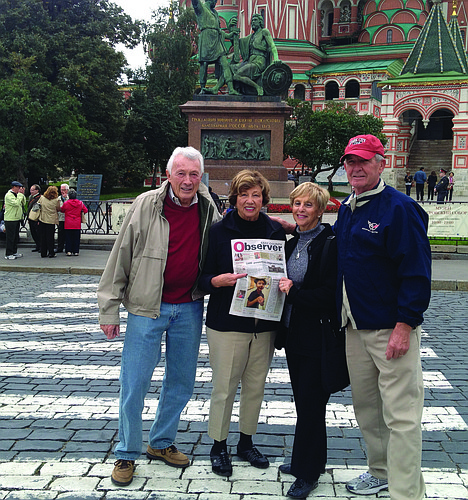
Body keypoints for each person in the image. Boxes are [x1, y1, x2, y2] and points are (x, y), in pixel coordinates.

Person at [97, 147, 221, 487]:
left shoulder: (207, 206)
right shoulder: (146, 204)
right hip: (146, 308)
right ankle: (126, 452)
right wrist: (109, 308)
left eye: (194, 174)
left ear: (200, 177)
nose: (187, 181)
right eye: (181, 173)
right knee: (134, 382)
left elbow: (231, 236)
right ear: (169, 175)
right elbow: (122, 253)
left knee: (180, 382)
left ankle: (161, 442)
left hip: (190, 307)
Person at [335, 135, 431, 499]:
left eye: (363, 161)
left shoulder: (400, 208)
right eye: (350, 162)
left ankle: (406, 493)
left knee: (402, 418)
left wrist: (405, 325)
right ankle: (380, 471)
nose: (355, 168)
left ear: (380, 162)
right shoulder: (348, 207)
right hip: (355, 327)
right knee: (369, 410)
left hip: (391, 330)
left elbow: (417, 272)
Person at [199, 170, 286, 477]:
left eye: (256, 195)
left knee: (255, 387)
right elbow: (202, 276)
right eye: (244, 194)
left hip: (264, 325)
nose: (250, 201)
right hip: (228, 322)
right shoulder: (220, 231)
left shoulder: (275, 231)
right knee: (224, 388)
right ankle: (218, 445)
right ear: (234, 198)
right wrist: (216, 281)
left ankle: (246, 442)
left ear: (264, 198)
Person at [277, 182, 338, 499]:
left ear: (321, 209)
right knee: (305, 403)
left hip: (318, 336)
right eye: (297, 203)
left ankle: (307, 472)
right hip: (294, 336)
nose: (301, 210)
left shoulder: (329, 243)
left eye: (308, 205)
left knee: (312, 405)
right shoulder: (292, 243)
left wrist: (294, 292)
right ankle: (312, 459)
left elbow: (330, 295)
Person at [192, 0, 238, 95]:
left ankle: (231, 88)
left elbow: (219, 31)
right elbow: (195, 2)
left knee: (225, 64)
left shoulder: (215, 13)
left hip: (217, 41)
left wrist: (230, 34)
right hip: (206, 39)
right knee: (204, 64)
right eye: (215, 0)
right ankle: (202, 88)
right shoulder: (201, 8)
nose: (216, 2)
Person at [233, 14, 281, 96]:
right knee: (231, 68)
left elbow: (272, 45)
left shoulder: (264, 32)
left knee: (237, 75)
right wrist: (232, 30)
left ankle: (258, 87)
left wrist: (276, 58)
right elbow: (238, 42)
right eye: (252, 21)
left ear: (260, 22)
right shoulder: (250, 37)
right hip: (250, 61)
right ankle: (229, 90)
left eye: (255, 20)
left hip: (259, 61)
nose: (253, 22)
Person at [60, 189, 88, 256]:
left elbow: (62, 210)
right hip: (77, 223)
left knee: (68, 238)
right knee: (76, 238)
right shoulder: (80, 203)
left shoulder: (66, 203)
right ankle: (76, 251)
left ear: (69, 196)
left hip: (68, 223)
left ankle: (69, 251)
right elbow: (85, 210)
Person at [4, 181, 26, 260]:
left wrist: (22, 195)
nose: (19, 189)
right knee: (10, 237)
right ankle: (8, 253)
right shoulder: (9, 195)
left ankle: (14, 251)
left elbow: (23, 203)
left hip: (17, 218)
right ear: (14, 187)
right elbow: (16, 203)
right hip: (10, 219)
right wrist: (20, 195)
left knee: (15, 237)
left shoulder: (17, 195)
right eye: (18, 188)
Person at [38, 186, 60, 258]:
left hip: (42, 219)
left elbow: (38, 206)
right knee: (50, 237)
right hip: (51, 220)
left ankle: (43, 252)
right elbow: (58, 209)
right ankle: (51, 252)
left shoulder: (42, 198)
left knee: (43, 237)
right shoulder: (56, 200)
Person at [27, 184, 41, 252]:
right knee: (33, 233)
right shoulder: (31, 197)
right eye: (30, 190)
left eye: (33, 190)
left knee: (38, 233)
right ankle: (37, 245)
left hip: (36, 218)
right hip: (31, 218)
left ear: (37, 190)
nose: (31, 191)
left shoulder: (39, 198)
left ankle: (41, 246)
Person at [56, 184, 69, 253]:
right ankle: (60, 247)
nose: (62, 191)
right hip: (60, 218)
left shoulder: (69, 198)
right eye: (61, 190)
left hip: (67, 219)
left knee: (68, 234)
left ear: (67, 190)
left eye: (64, 190)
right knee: (60, 233)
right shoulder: (58, 198)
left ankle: (68, 247)